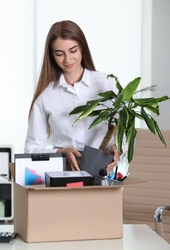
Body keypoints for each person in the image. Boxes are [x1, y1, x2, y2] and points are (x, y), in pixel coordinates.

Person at [24, 20, 120, 173]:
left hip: (103, 175)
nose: (67, 60)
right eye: (59, 54)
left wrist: (117, 148)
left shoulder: (107, 84)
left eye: (73, 50)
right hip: (64, 174)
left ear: (82, 48)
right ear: (52, 55)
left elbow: (123, 132)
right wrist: (59, 153)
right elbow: (31, 149)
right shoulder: (46, 95)